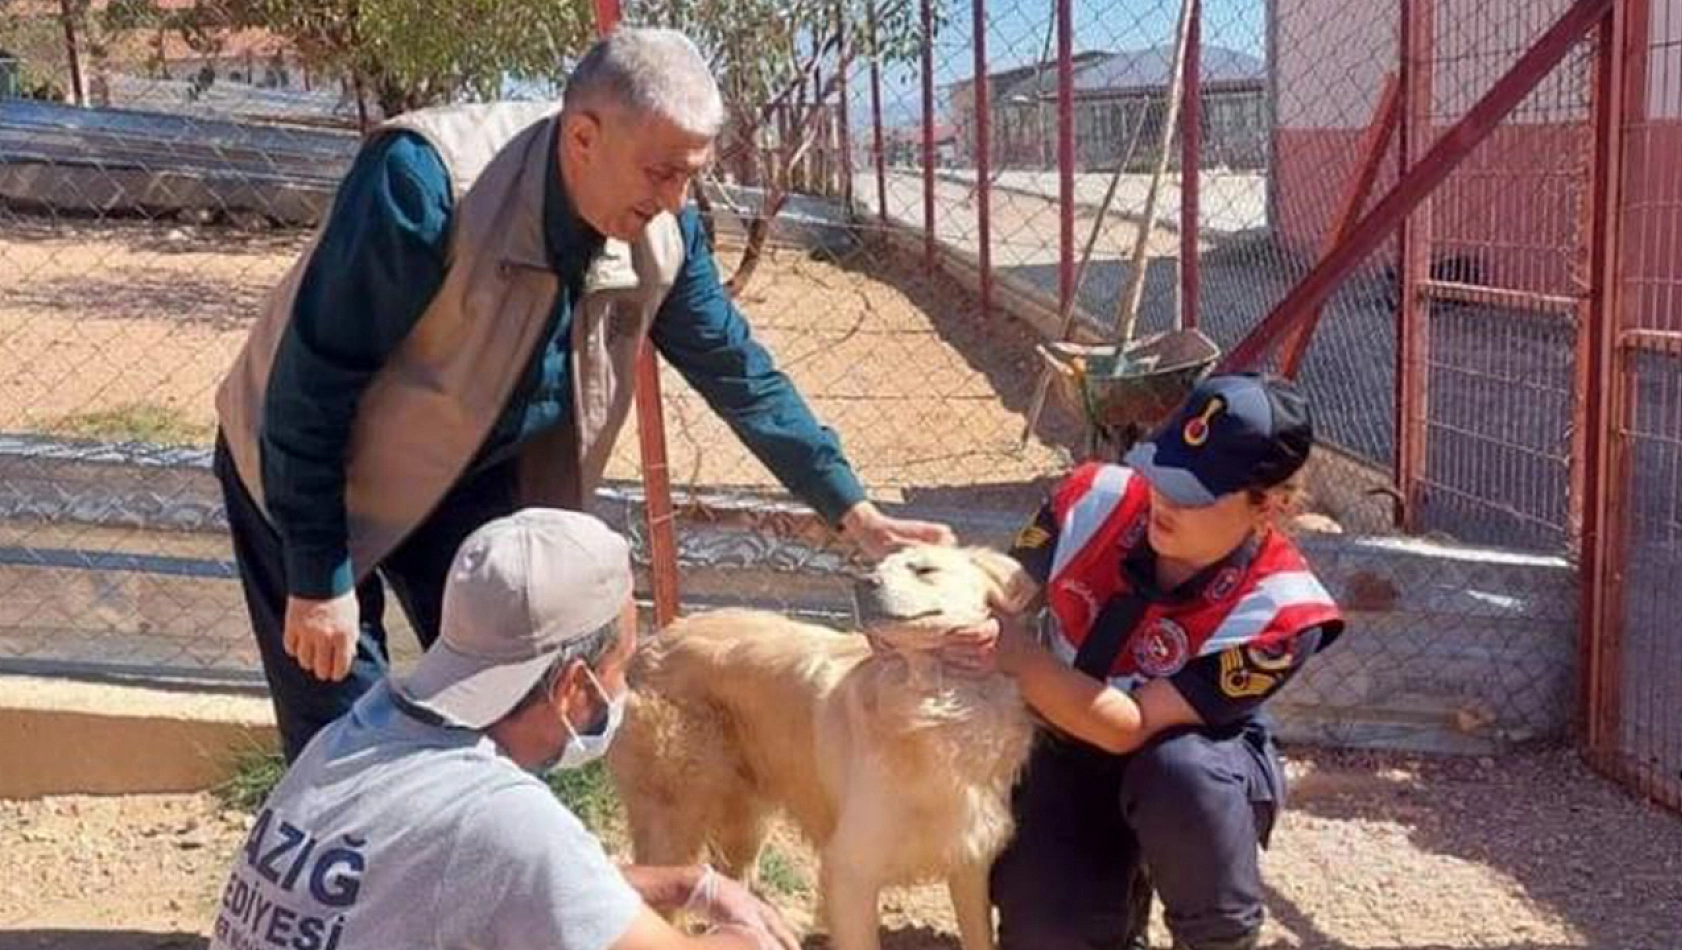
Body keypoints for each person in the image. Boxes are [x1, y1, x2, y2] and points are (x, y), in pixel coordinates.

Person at [212, 27, 952, 760]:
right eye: (662, 172)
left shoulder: (666, 230)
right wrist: (315, 578)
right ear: (583, 137)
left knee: (511, 710)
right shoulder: (428, 183)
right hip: (302, 468)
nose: (676, 199)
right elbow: (310, 386)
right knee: (345, 736)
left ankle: (478, 858)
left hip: (465, 471)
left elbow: (736, 368)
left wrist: (851, 512)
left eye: (691, 174)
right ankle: (337, 861)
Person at [209, 508, 799, 950]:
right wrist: (747, 934)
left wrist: (684, 884)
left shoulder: (356, 737)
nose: (624, 691)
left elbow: (524, 886)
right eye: (621, 669)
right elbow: (526, 863)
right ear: (574, 686)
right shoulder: (502, 817)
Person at [943, 373, 1346, 950]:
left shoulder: (1280, 613)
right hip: (1062, 743)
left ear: (1269, 505)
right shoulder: (1089, 498)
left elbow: (1127, 726)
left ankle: (1216, 939)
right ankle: (1109, 903)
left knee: (1181, 773)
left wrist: (1016, 656)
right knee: (1046, 934)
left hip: (1186, 767)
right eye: (1163, 472)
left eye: (1195, 493)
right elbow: (1000, 590)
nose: (1164, 500)